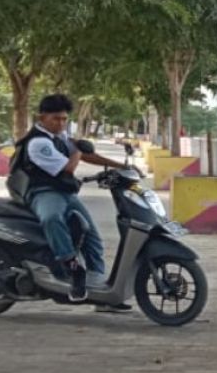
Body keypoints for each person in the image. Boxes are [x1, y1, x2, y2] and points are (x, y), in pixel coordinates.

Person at [11, 94, 130, 304]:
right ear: (42, 118)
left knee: (92, 238)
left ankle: (100, 293)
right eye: (56, 119)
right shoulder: (38, 142)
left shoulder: (60, 136)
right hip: (43, 192)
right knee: (52, 218)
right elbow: (69, 166)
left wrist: (122, 166)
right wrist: (78, 150)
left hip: (65, 193)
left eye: (64, 119)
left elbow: (85, 154)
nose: (61, 123)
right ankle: (72, 266)